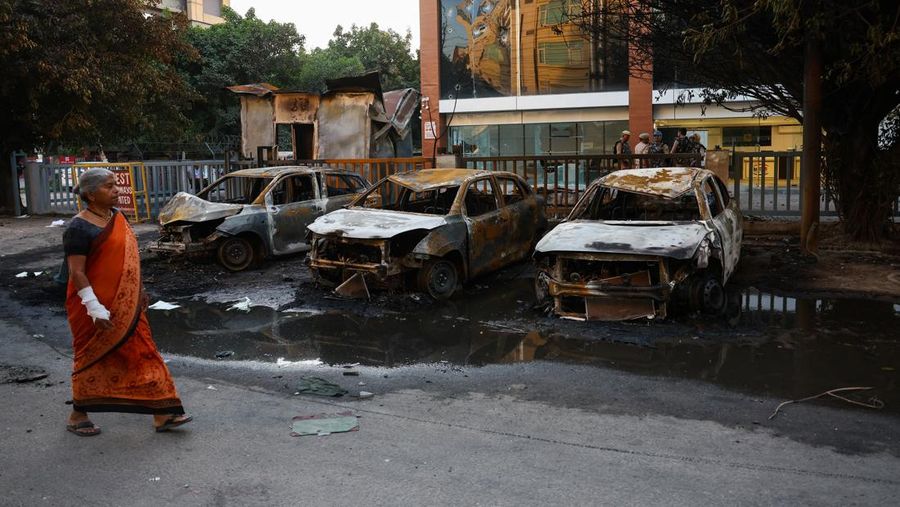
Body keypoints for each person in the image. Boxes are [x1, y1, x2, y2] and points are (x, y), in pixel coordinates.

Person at [63, 168, 191, 436]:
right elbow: (77, 272)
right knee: (91, 358)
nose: (117, 190)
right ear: (90, 194)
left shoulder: (118, 218)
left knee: (144, 353)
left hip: (128, 305)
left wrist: (139, 289)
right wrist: (94, 307)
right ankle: (78, 415)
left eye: (115, 185)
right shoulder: (78, 227)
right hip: (93, 308)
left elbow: (129, 260)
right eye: (109, 187)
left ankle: (162, 412)